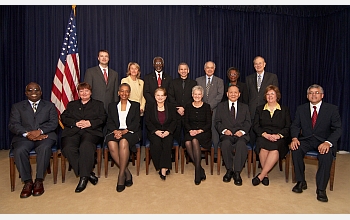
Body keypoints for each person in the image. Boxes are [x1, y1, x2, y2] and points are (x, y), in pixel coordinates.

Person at [290, 84, 341, 202]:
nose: (314, 95)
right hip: (306, 139)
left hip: (324, 141)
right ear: (307, 96)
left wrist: (328, 142)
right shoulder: (301, 109)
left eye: (316, 93)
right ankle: (301, 181)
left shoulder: (332, 109)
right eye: (311, 93)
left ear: (322, 95)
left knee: (325, 155)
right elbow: (295, 125)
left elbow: (338, 129)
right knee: (296, 149)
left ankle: (321, 189)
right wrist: (294, 138)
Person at [8, 82, 58, 198]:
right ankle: (27, 182)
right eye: (30, 90)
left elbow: (53, 123)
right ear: (26, 93)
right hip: (23, 137)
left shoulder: (49, 105)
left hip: (45, 136)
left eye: (36, 90)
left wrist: (39, 131)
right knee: (19, 150)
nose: (33, 92)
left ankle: (39, 180)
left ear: (41, 92)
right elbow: (13, 124)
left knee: (44, 148)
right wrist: (27, 134)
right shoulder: (17, 106)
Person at [60, 82, 107, 193]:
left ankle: (83, 178)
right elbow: (64, 117)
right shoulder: (72, 105)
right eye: (81, 91)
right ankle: (87, 174)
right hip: (73, 131)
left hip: (91, 132)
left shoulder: (98, 104)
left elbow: (103, 118)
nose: (84, 93)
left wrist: (90, 123)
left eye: (86, 91)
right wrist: (75, 123)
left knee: (86, 146)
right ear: (79, 93)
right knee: (68, 148)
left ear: (91, 92)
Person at [105, 83, 142, 192]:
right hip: (115, 131)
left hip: (131, 131)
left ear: (129, 93)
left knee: (123, 142)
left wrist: (124, 131)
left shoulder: (135, 105)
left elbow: (136, 123)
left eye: (126, 91)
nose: (124, 93)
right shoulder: (112, 105)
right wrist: (116, 131)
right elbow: (109, 122)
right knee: (111, 143)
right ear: (118, 92)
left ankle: (121, 176)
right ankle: (126, 172)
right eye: (122, 91)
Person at [252, 85, 291, 186]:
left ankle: (261, 175)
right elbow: (256, 126)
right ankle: (265, 175)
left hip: (279, 138)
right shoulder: (259, 109)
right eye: (268, 94)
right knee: (262, 147)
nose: (270, 96)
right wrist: (265, 134)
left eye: (272, 94)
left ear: (277, 96)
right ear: (265, 96)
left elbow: (288, 127)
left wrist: (278, 135)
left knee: (274, 148)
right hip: (264, 136)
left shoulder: (284, 109)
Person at [215, 85, 251, 186]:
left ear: (239, 94)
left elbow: (248, 122)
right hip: (227, 134)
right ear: (227, 94)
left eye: (235, 92)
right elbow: (217, 122)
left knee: (241, 145)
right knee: (225, 143)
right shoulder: (221, 106)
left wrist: (242, 131)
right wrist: (224, 130)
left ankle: (237, 172)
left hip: (241, 135)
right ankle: (229, 170)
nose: (233, 94)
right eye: (231, 92)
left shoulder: (245, 107)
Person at [145, 87, 177, 180]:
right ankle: (161, 166)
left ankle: (163, 169)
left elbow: (174, 121)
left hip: (168, 131)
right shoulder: (150, 106)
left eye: (162, 95)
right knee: (156, 144)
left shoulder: (171, 107)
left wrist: (168, 131)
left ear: (165, 97)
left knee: (167, 144)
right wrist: (156, 131)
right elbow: (147, 122)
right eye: (158, 95)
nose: (160, 97)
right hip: (154, 131)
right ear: (155, 96)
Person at [245, 56, 278, 145]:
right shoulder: (249, 78)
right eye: (256, 63)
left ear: (264, 64)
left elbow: (275, 94)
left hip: (266, 111)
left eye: (260, 63)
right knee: (252, 136)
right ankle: (252, 157)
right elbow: (247, 96)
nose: (258, 65)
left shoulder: (272, 77)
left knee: (263, 137)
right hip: (252, 111)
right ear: (254, 66)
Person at [183, 85, 212, 185]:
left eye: (199, 94)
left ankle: (197, 172)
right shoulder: (188, 106)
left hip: (203, 133)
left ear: (202, 95)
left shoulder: (207, 106)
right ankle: (200, 169)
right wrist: (190, 130)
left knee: (194, 140)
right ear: (192, 95)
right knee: (187, 142)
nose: (197, 96)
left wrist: (199, 131)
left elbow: (209, 123)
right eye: (195, 94)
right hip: (191, 131)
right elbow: (185, 121)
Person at [195, 61, 224, 155]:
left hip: (214, 110)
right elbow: (197, 94)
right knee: (201, 130)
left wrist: (208, 107)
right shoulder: (198, 80)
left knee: (214, 132)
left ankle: (215, 154)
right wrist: (203, 108)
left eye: (212, 68)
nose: (210, 69)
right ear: (204, 69)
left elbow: (220, 96)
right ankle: (201, 153)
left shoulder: (219, 81)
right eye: (208, 67)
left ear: (214, 69)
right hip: (200, 110)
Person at [168, 62, 197, 146]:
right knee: (175, 133)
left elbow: (194, 97)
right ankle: (174, 155)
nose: (183, 71)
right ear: (178, 71)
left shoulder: (193, 83)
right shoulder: (173, 82)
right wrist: (178, 107)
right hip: (176, 112)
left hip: (188, 112)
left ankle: (187, 153)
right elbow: (170, 96)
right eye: (181, 69)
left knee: (188, 134)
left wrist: (185, 108)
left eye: (185, 69)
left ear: (188, 71)